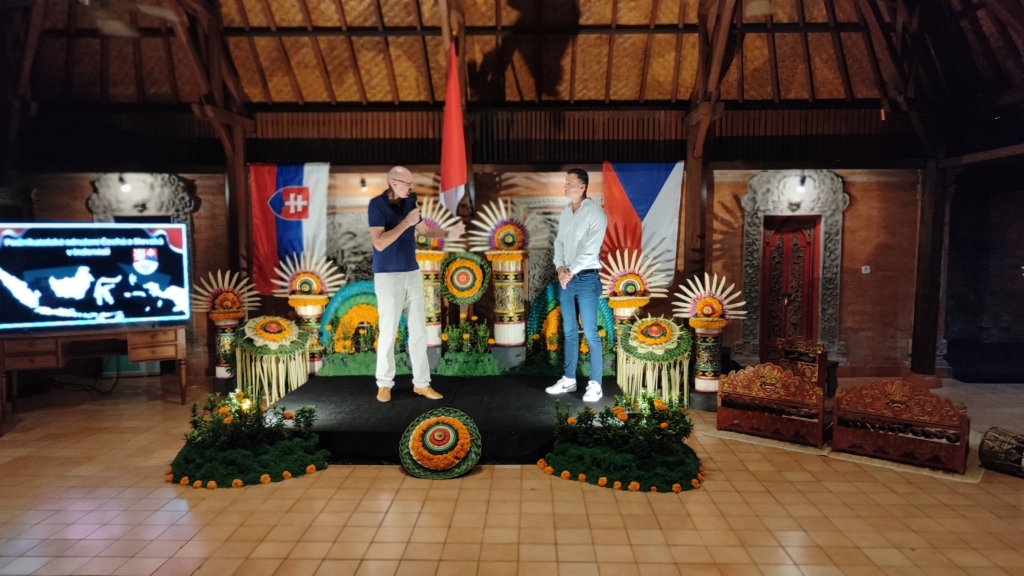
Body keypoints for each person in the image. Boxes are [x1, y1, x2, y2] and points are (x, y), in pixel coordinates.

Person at [368, 166, 465, 403]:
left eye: (412, 184)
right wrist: (405, 223)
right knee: (388, 332)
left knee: (419, 331)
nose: (411, 188)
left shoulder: (410, 202)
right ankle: (384, 384)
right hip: (387, 276)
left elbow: (424, 230)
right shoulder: (377, 205)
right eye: (407, 184)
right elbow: (379, 243)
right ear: (393, 183)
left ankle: (421, 383)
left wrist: (448, 233)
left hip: (412, 272)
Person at [546, 168, 608, 402]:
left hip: (586, 278)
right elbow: (559, 243)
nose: (566, 187)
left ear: (582, 187)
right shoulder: (565, 213)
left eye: (570, 183)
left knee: (591, 333)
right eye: (565, 183)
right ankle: (569, 379)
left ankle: (595, 384)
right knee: (569, 331)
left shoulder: (595, 213)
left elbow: (592, 249)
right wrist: (560, 268)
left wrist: (570, 271)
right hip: (566, 279)